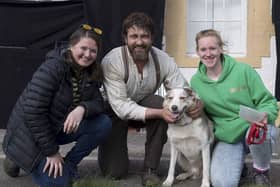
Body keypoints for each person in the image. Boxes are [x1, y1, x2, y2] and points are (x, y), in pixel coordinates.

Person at [98, 12, 202, 186]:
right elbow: (122, 107)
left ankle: (150, 170)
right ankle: (110, 152)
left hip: (144, 103)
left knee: (165, 107)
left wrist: (197, 103)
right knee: (114, 172)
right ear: (125, 38)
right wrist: (160, 112)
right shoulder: (112, 61)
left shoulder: (163, 59)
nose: (139, 42)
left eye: (144, 36)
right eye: (134, 36)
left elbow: (181, 88)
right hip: (114, 112)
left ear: (152, 37)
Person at [2, 24, 112, 187]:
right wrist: (52, 152)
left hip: (56, 127)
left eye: (93, 51)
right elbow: (33, 112)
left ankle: (69, 165)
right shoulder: (53, 67)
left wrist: (82, 109)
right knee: (59, 183)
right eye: (83, 48)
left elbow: (98, 102)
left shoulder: (90, 72)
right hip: (30, 133)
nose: (88, 55)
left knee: (103, 123)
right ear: (71, 46)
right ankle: (14, 157)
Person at [190, 29, 279, 187]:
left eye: (213, 48)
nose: (208, 54)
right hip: (227, 137)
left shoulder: (243, 71)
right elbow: (203, 117)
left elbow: (268, 101)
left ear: (220, 49)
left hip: (252, 127)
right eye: (203, 49)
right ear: (197, 51)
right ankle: (239, 165)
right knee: (222, 183)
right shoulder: (196, 82)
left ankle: (261, 171)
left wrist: (266, 113)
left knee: (262, 132)